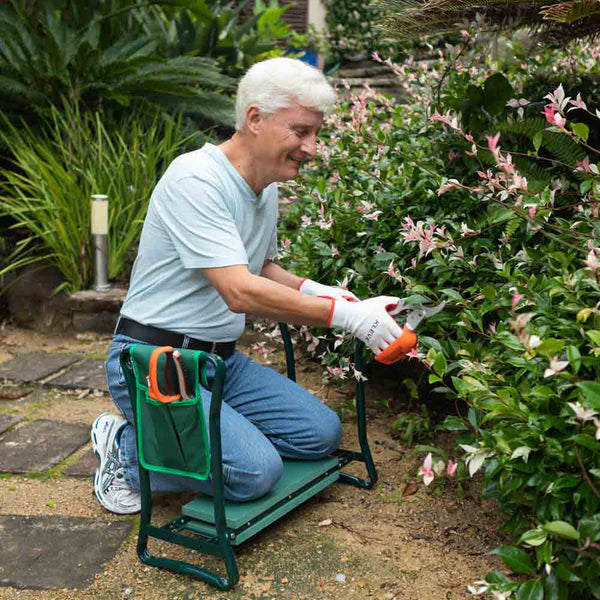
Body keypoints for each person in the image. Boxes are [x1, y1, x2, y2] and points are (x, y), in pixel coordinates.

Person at [91, 57, 403, 515]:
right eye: (300, 131)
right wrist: (349, 319)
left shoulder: (265, 186)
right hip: (155, 362)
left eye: (316, 133)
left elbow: (259, 268)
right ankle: (125, 447)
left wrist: (327, 293)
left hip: (221, 364)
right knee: (256, 472)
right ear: (255, 118)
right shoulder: (196, 179)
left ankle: (182, 436)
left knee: (319, 434)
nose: (312, 148)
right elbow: (239, 290)